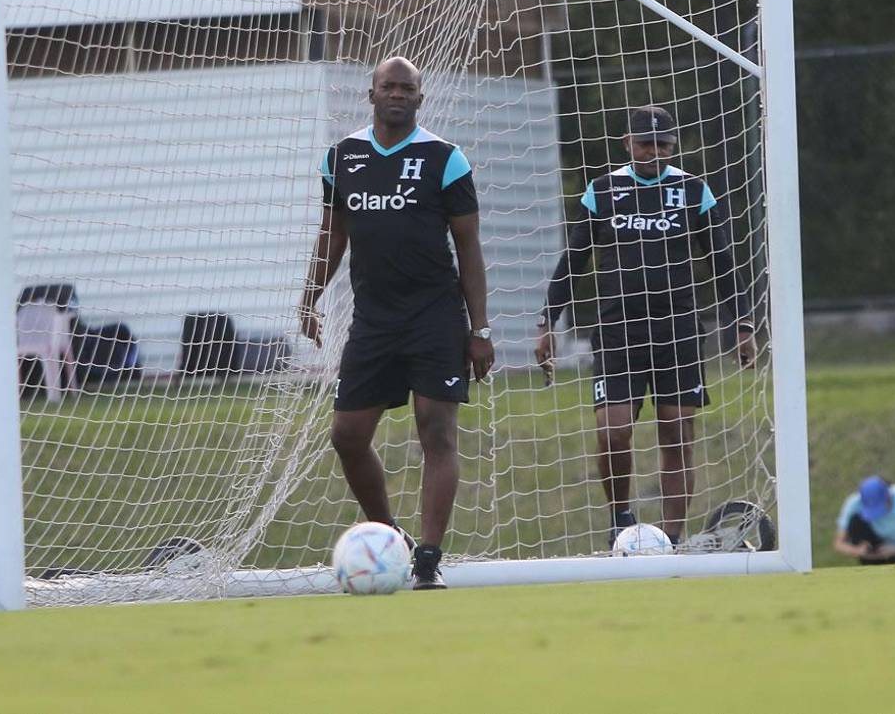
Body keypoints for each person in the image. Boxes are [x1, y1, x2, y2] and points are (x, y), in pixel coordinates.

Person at [298, 56, 494, 590]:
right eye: (389, 86)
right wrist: (309, 296)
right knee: (347, 434)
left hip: (434, 317)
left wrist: (479, 329)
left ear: (419, 98)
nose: (398, 95)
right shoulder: (342, 158)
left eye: (408, 88)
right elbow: (333, 234)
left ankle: (428, 557)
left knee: (436, 429)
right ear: (372, 94)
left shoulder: (446, 160)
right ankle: (389, 535)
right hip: (374, 320)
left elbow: (468, 247)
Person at [535, 106, 755, 548]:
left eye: (663, 145)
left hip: (678, 332)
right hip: (618, 333)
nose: (653, 151)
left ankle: (671, 541)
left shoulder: (692, 191)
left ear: (673, 147)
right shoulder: (604, 191)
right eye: (644, 143)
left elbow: (722, 262)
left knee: (676, 434)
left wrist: (741, 323)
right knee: (613, 432)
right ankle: (619, 518)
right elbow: (573, 261)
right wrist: (548, 321)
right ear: (627, 144)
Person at [833, 476, 895, 563]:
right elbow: (839, 543)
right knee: (856, 519)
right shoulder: (854, 503)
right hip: (871, 560)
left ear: (888, 496)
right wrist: (858, 550)